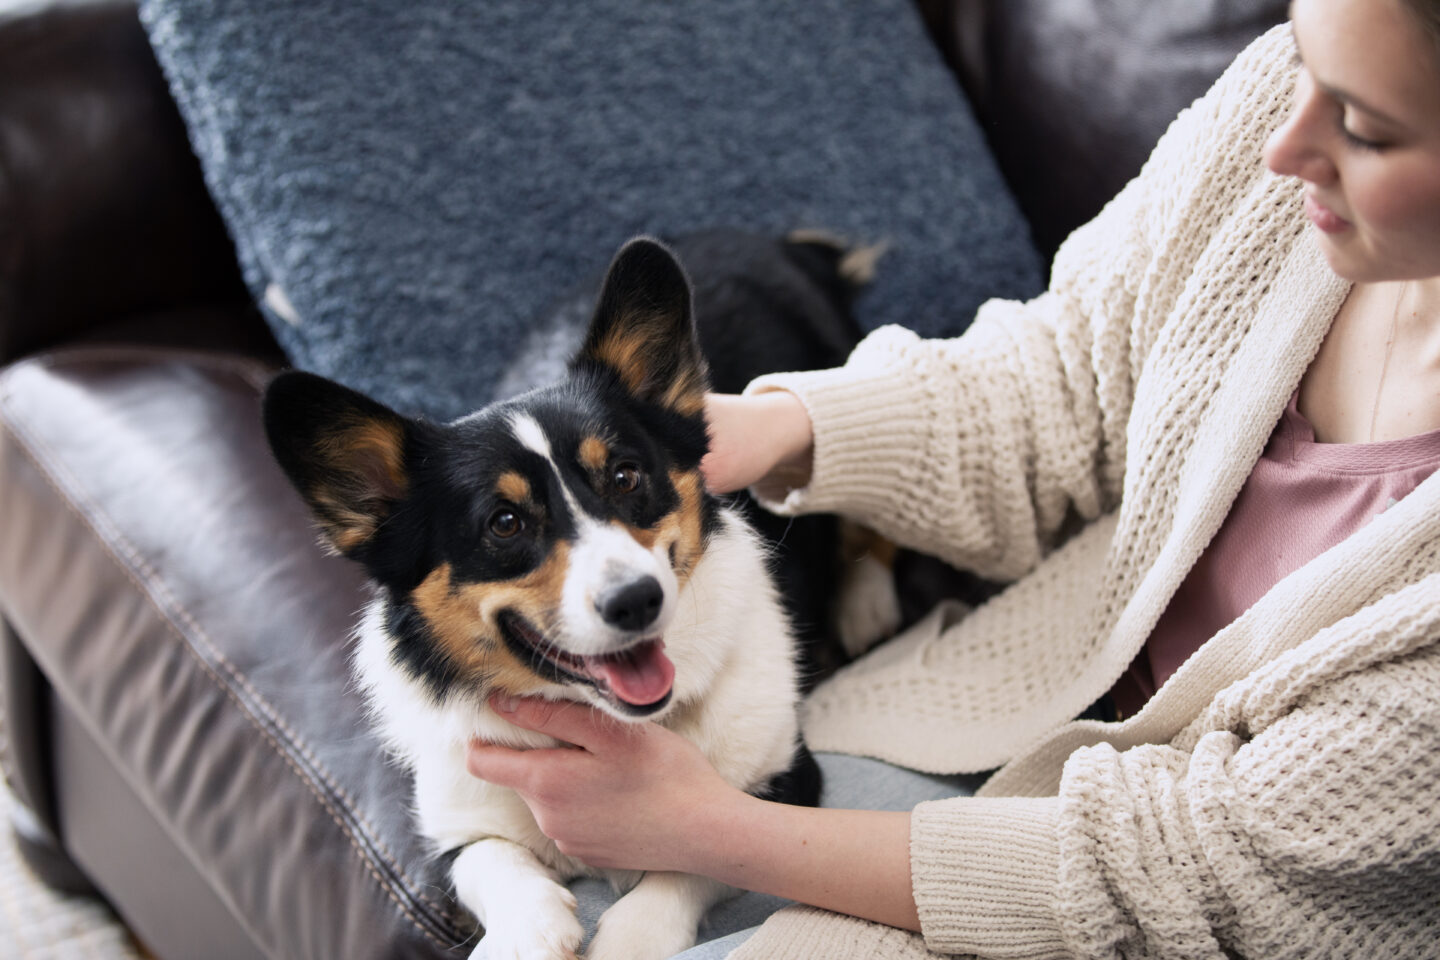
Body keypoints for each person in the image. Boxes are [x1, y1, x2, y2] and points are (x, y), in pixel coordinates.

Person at [466, 0, 1440, 956]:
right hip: (1010, 695)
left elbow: (1198, 875)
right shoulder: (1280, 104)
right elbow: (1073, 369)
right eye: (1304, 58)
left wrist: (707, 828)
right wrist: (781, 428)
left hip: (1149, 892)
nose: (1286, 143)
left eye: (1363, 126)